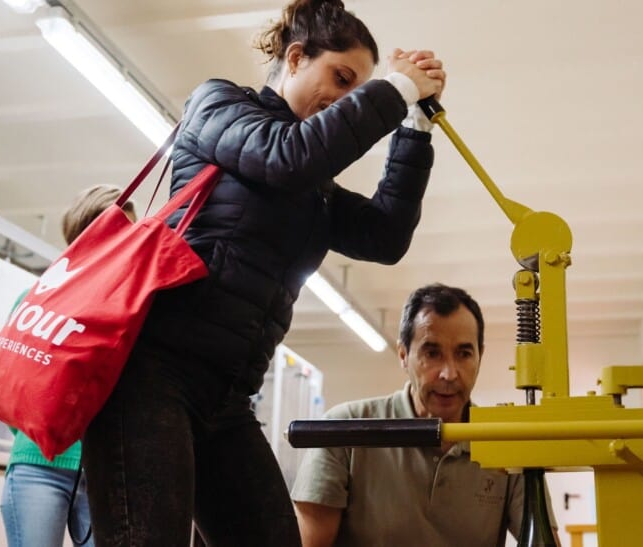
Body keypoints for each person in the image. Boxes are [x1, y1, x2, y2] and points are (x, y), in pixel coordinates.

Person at [79, 0, 446, 545]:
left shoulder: (312, 191)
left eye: (358, 88)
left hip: (227, 400)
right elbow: (287, 157)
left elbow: (385, 237)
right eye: (340, 78)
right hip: (150, 381)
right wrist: (393, 91)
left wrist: (415, 124)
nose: (345, 99)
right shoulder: (219, 105)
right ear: (296, 58)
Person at [291, 283, 561, 547]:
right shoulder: (343, 430)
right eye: (432, 353)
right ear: (403, 354)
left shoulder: (506, 442)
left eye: (464, 353)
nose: (449, 373)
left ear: (481, 356)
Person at [0, 185, 136, 547]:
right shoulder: (35, 301)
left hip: (104, 474)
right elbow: (13, 387)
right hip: (37, 468)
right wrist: (44, 436)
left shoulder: (130, 311)